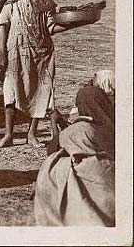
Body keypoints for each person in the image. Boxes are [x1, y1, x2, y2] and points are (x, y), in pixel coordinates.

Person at [0, 0, 71, 148]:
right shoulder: (10, 2)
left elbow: (50, 27)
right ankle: (8, 134)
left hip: (42, 53)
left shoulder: (44, 0)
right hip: (16, 52)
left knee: (41, 91)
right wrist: (2, 55)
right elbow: (3, 28)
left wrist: (74, 23)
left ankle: (31, 134)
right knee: (11, 91)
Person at [34, 83, 115, 226]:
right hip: (113, 188)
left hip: (96, 192)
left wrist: (54, 124)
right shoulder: (113, 128)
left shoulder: (78, 131)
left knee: (57, 164)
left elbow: (53, 149)